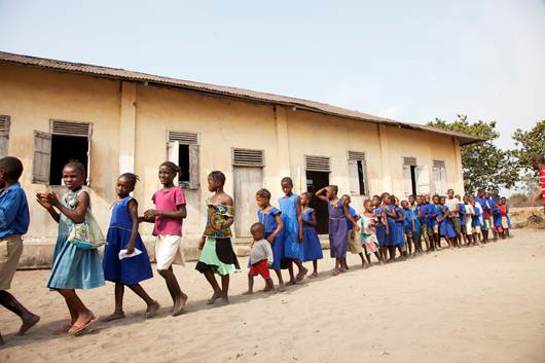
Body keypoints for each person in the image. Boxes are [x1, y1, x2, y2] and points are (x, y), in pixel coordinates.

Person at [37, 161, 104, 335]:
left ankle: (85, 313)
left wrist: (57, 204)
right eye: (65, 176)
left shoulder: (83, 194)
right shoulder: (67, 195)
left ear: (83, 177)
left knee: (61, 282)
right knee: (65, 282)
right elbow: (64, 220)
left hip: (76, 242)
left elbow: (78, 218)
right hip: (64, 241)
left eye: (73, 176)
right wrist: (50, 208)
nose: (68, 179)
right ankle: (74, 319)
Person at [102, 173, 159, 321]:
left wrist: (131, 242)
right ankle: (118, 310)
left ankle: (151, 302)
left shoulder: (130, 201)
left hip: (126, 240)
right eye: (118, 185)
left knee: (127, 277)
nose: (120, 188)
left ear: (131, 188)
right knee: (117, 277)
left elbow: (134, 222)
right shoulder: (116, 203)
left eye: (124, 186)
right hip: (114, 240)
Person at [0, 157, 40, 345]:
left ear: (2, 173)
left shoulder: (15, 193)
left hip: (7, 243)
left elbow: (3, 219)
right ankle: (27, 316)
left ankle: (27, 316)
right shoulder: (7, 192)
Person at [140, 161, 188, 316]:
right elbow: (158, 217)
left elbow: (182, 214)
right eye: (160, 172)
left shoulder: (177, 191)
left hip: (173, 233)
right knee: (166, 269)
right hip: (160, 234)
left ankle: (180, 296)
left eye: (166, 173)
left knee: (162, 269)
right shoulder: (158, 194)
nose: (162, 175)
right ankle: (177, 299)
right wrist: (142, 218)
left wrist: (158, 212)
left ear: (175, 174)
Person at [196, 171, 240, 305]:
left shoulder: (227, 199)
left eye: (210, 182)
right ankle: (217, 290)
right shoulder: (210, 199)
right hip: (210, 237)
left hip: (222, 238)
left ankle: (225, 295)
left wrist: (223, 225)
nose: (208, 184)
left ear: (218, 183)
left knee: (224, 266)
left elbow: (230, 218)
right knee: (203, 266)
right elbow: (209, 220)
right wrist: (203, 237)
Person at [315, 185, 358, 275]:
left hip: (341, 224)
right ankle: (342, 265)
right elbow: (317, 194)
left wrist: (355, 223)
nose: (326, 193)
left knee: (340, 244)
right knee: (335, 245)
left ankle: (336, 267)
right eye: (326, 192)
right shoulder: (329, 201)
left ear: (334, 192)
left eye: (328, 192)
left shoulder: (341, 202)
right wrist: (324, 188)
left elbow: (347, 214)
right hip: (332, 224)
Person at [279, 177, 308, 283]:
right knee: (287, 254)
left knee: (292, 252)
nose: (285, 189)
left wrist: (300, 231)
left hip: (294, 227)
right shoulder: (281, 200)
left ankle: (301, 268)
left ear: (292, 186)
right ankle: (292, 278)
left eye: (287, 187)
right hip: (285, 227)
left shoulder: (296, 198)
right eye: (283, 187)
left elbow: (299, 215)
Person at [256, 188, 286, 290]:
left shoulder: (274, 211)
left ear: (266, 199)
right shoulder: (259, 212)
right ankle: (268, 283)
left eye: (259, 200)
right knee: (263, 260)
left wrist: (273, 235)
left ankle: (281, 281)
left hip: (274, 238)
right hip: (263, 238)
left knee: (274, 259)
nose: (257, 202)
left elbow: (281, 225)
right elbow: (260, 225)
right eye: (257, 200)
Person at [244, 223, 274, 294]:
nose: (253, 236)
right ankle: (250, 290)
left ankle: (271, 287)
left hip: (262, 262)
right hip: (254, 263)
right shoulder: (255, 241)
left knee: (266, 276)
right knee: (250, 275)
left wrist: (270, 261)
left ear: (261, 233)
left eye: (255, 234)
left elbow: (269, 252)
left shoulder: (264, 242)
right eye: (252, 234)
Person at [300, 192, 323, 277]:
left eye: (302, 198)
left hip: (310, 232)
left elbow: (314, 223)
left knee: (313, 250)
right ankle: (301, 270)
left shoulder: (311, 210)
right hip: (302, 232)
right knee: (301, 251)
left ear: (307, 201)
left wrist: (304, 221)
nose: (300, 200)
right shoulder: (298, 210)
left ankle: (315, 271)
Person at [343, 194, 366, 268]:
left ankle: (363, 260)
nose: (344, 201)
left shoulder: (351, 210)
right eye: (343, 199)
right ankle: (344, 264)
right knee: (343, 248)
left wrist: (353, 230)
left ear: (349, 201)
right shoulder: (340, 210)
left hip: (350, 229)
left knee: (357, 246)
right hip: (342, 230)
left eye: (346, 200)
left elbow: (355, 220)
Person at [359, 199, 382, 264]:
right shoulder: (361, 215)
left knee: (374, 246)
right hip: (364, 234)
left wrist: (373, 224)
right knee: (366, 248)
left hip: (372, 234)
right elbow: (358, 223)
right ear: (365, 206)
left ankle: (379, 259)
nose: (371, 207)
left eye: (372, 206)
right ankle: (369, 262)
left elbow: (377, 223)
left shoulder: (373, 215)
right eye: (370, 206)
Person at [372, 195, 389, 262]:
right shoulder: (373, 210)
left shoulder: (382, 209)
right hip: (375, 227)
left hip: (381, 227)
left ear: (379, 201)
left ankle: (385, 257)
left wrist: (387, 228)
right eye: (373, 200)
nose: (373, 201)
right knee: (378, 243)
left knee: (382, 243)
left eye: (375, 200)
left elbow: (385, 219)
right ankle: (381, 257)